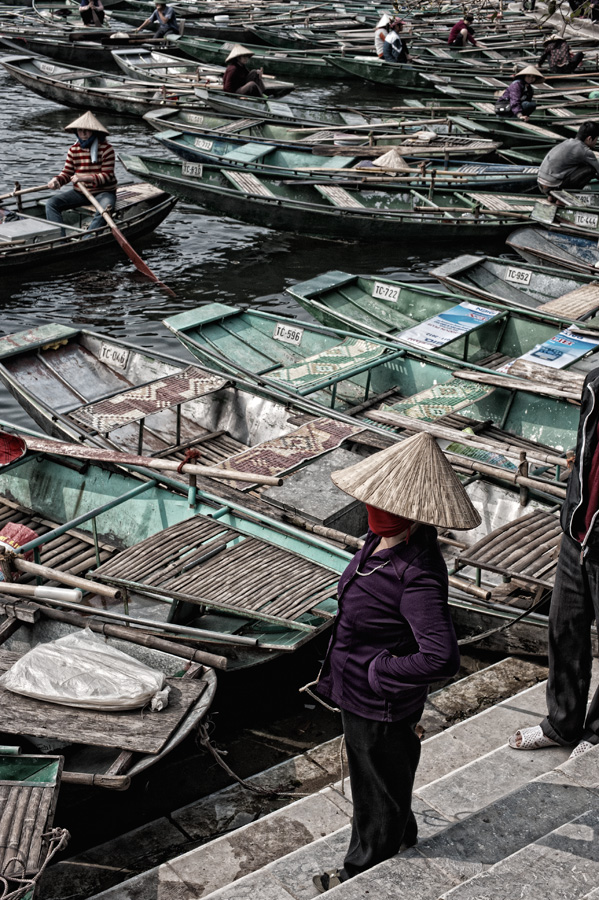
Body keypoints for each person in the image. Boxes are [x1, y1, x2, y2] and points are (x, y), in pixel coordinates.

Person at [311, 432, 480, 893]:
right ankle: (402, 836)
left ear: (414, 513)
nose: (373, 511)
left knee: (373, 791)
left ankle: (362, 871)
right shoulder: (377, 539)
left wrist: (380, 671)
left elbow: (442, 657)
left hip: (377, 702)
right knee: (390, 774)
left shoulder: (418, 574)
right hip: (357, 689)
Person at [509, 364, 599, 760]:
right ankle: (562, 723)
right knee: (564, 630)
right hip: (576, 531)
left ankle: (596, 736)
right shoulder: (596, 382)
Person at [46, 111, 117, 233]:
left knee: (104, 210)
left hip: (103, 192)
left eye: (86, 130)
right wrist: (57, 180)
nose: (83, 134)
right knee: (51, 204)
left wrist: (83, 178)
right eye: (80, 130)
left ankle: (88, 238)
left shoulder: (107, 149)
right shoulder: (73, 150)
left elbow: (107, 176)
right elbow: (67, 173)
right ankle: (60, 240)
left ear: (94, 132)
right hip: (80, 193)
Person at [537, 121, 599, 193]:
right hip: (552, 185)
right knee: (591, 170)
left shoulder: (568, 141)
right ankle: (566, 196)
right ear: (589, 139)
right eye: (596, 139)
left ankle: (552, 197)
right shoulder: (585, 151)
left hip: (540, 183)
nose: (596, 142)